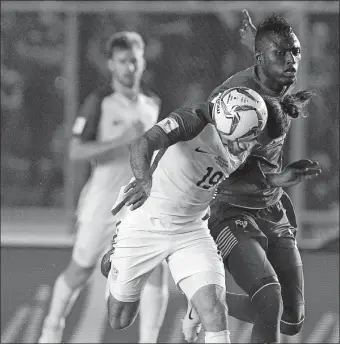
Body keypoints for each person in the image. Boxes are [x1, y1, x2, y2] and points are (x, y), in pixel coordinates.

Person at [182, 12, 321, 344]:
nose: (291, 61)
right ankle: (203, 298)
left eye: (296, 52)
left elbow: (272, 51)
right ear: (261, 59)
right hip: (229, 210)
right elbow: (207, 160)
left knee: (293, 318)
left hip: (272, 209)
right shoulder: (234, 98)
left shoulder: (279, 75)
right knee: (268, 299)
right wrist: (274, 178)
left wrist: (260, 39)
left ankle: (203, 303)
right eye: (282, 54)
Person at [103, 86, 269, 344]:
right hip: (147, 220)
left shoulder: (245, 133)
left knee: (214, 308)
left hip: (191, 230)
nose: (252, 144)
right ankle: (117, 256)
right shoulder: (193, 120)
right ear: (226, 127)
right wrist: (145, 180)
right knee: (120, 319)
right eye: (246, 137)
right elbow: (142, 143)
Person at [38, 31, 169, 344]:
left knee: (156, 266)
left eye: (134, 61)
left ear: (142, 62)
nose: (129, 68)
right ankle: (50, 330)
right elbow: (75, 151)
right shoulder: (99, 101)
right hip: (102, 202)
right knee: (80, 270)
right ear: (111, 64)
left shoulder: (152, 103)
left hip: (137, 203)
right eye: (123, 62)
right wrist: (120, 142)